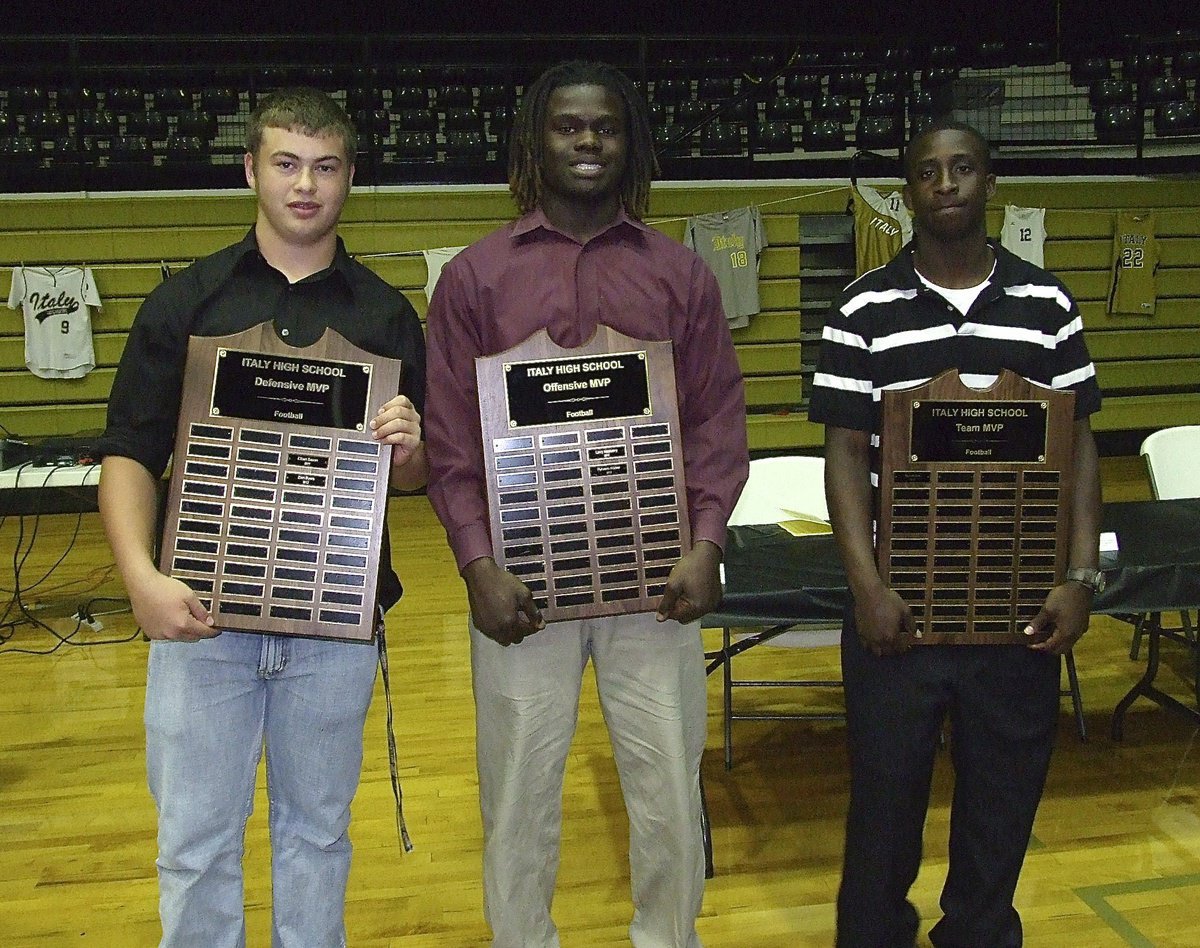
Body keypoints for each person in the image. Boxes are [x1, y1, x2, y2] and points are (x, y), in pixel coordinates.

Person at [423, 60, 748, 948]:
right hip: (520, 589)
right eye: (567, 125)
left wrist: (707, 543)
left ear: (630, 141)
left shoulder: (682, 274)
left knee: (670, 793)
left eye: (605, 125)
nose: (588, 141)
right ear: (537, 140)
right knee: (517, 799)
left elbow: (717, 422)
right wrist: (477, 566)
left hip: (658, 583)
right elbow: (450, 439)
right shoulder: (474, 278)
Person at [96, 88, 427, 947]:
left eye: (325, 167)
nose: (305, 186)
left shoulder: (388, 316)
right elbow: (129, 451)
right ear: (251, 170)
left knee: (318, 837)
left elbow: (415, 478)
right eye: (286, 164)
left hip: (335, 626)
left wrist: (410, 448)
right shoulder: (187, 303)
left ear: (350, 177)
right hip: (201, 619)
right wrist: (139, 580)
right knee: (194, 844)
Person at [810, 120, 1103, 947]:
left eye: (963, 168)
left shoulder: (1047, 305)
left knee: (1001, 811)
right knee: (882, 814)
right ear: (909, 192)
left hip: (1019, 611)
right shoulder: (863, 308)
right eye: (928, 172)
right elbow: (844, 455)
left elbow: (1080, 446)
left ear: (990, 183)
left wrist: (1079, 579)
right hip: (898, 613)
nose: (945, 184)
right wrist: (867, 589)